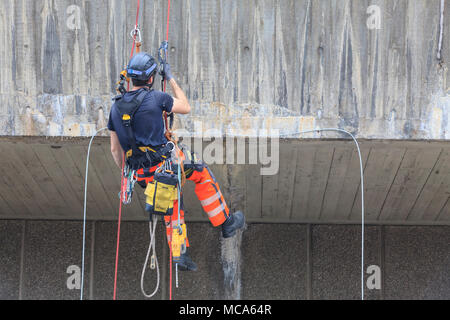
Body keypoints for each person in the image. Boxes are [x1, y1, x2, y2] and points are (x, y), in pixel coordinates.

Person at [108, 52, 245, 271]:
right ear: (151, 79)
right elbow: (185, 106)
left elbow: (116, 150)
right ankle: (225, 222)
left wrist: (129, 173)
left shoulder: (115, 108)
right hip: (165, 164)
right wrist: (170, 77)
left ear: (130, 78)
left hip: (140, 173)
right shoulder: (156, 98)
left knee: (171, 201)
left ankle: (179, 254)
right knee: (200, 171)